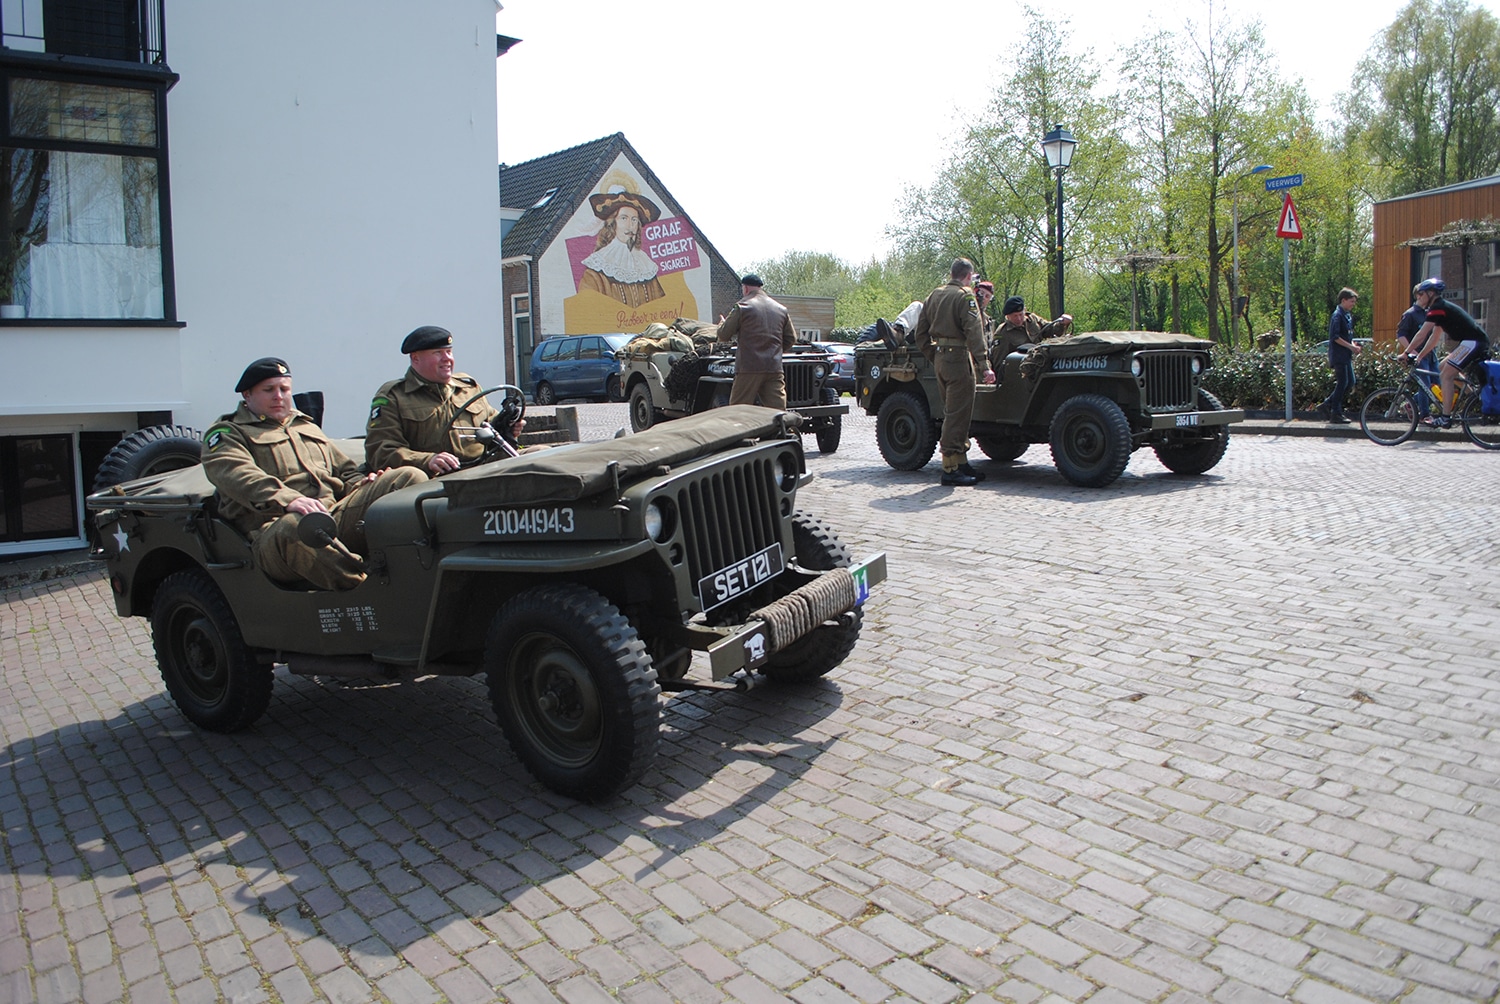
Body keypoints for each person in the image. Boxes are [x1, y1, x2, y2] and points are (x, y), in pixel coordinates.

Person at [203, 358, 427, 591]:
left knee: (409, 477)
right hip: (274, 532)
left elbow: (345, 471)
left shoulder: (305, 426)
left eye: (284, 389)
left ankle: (415, 569)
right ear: (247, 395)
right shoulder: (228, 433)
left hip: (331, 514)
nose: (279, 396)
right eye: (268, 390)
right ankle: (367, 588)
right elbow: (237, 474)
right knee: (297, 525)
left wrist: (362, 483)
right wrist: (289, 499)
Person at [366, 326, 529, 475]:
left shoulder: (468, 388)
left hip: (483, 467)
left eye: (449, 352)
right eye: (438, 353)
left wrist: (509, 427)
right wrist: (427, 461)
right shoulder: (394, 396)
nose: (447, 359)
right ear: (415, 358)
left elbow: (491, 427)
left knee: (539, 456)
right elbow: (381, 452)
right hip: (435, 478)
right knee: (414, 475)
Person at [913, 258, 995, 486]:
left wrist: (935, 355)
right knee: (958, 414)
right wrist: (985, 366)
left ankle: (960, 462)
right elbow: (974, 332)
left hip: (941, 358)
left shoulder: (934, 295)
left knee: (954, 411)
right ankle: (950, 468)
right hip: (958, 359)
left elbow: (920, 334)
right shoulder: (965, 296)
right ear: (968, 276)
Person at [1402, 277, 1491, 427]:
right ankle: (1474, 397)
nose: (1419, 297)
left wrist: (1405, 353)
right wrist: (1420, 356)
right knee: (1442, 367)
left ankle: (1445, 417)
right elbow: (1434, 338)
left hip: (1473, 342)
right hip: (1471, 342)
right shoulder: (1440, 308)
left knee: (1446, 375)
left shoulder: (1437, 308)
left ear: (1431, 293)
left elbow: (1422, 334)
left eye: (1421, 294)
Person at [720, 273, 797, 410]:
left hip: (748, 368)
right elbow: (791, 338)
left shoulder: (742, 306)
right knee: (778, 412)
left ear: (745, 288)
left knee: (738, 411)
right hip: (774, 368)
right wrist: (775, 352)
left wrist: (722, 324)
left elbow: (724, 335)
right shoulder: (781, 309)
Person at [578, 188, 666, 308]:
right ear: (612, 224)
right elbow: (585, 309)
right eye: (624, 218)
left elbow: (662, 306)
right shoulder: (595, 271)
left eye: (634, 220)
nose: (630, 225)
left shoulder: (647, 268)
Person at [988, 295, 1073, 373]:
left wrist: (1062, 324)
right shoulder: (1003, 333)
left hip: (1041, 365)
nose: (1019, 318)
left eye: (1021, 314)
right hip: (1021, 372)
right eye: (1015, 316)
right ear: (1008, 316)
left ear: (1025, 310)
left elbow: (1050, 329)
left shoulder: (1032, 320)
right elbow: (999, 363)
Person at [1318, 287, 1361, 424]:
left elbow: (1347, 336)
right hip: (1339, 355)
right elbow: (1335, 337)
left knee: (1350, 382)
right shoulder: (1337, 316)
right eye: (1351, 301)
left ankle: (1327, 404)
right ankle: (1335, 413)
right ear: (1343, 300)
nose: (1353, 304)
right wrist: (1351, 347)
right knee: (1343, 382)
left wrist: (1353, 344)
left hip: (1346, 355)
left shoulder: (1347, 315)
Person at [1395, 284, 1433, 421]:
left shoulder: (1428, 313)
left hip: (1430, 354)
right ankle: (1424, 415)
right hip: (1418, 355)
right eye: (1427, 293)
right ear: (1418, 295)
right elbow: (1401, 335)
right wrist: (1412, 351)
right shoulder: (1410, 314)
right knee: (1425, 385)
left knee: (1437, 383)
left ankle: (1410, 404)